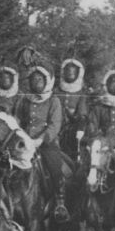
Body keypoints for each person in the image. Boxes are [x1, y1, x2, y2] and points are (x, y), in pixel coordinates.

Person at [13, 64, 71, 221]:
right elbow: (17, 120)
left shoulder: (54, 101)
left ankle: (59, 202)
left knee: (55, 165)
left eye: (40, 79)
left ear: (46, 81)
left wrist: (40, 140)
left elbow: (54, 125)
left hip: (46, 143)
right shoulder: (24, 100)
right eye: (33, 79)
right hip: (24, 142)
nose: (36, 82)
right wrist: (19, 136)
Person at [55, 58, 88, 159]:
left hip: (73, 124)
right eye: (68, 72)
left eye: (73, 73)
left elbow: (82, 113)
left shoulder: (81, 93)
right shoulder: (56, 90)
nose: (70, 74)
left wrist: (78, 122)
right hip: (56, 121)